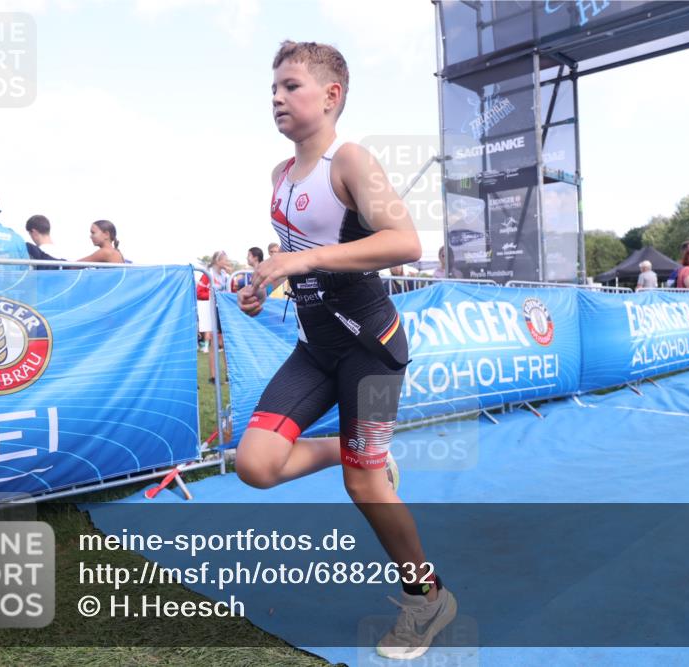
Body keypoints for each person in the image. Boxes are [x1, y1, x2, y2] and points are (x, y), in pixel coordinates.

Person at [237, 40, 455, 660]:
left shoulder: (349, 159)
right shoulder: (278, 177)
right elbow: (297, 261)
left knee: (366, 490)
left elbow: (405, 240)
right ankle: (354, 453)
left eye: (291, 86)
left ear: (331, 95)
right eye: (272, 88)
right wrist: (264, 285)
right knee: (254, 466)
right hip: (314, 348)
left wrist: (303, 259)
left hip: (374, 351)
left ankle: (428, 596)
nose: (277, 97)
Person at [197, 251, 232, 382]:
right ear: (218, 261)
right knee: (214, 343)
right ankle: (213, 376)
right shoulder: (208, 274)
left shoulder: (226, 275)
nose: (227, 262)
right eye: (225, 260)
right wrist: (214, 296)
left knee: (226, 343)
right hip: (211, 310)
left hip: (224, 311)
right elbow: (199, 292)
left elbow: (230, 292)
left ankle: (229, 374)